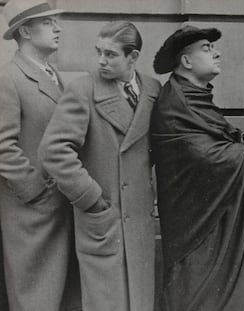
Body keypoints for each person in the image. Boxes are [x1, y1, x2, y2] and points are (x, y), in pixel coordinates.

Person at [39, 21, 161, 311]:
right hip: (104, 218)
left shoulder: (153, 90)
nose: (101, 61)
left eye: (110, 54)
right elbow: (53, 150)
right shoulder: (84, 90)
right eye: (99, 52)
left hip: (140, 221)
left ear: (133, 57)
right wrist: (91, 199)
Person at [151, 25, 244, 311]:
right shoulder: (174, 103)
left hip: (212, 217)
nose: (216, 53)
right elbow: (207, 158)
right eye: (206, 48)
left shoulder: (197, 98)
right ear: (186, 61)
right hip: (194, 227)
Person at [0, 0, 81, 310]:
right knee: (35, 299)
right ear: (25, 31)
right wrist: (37, 194)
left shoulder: (52, 75)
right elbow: (3, 147)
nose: (58, 28)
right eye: (48, 23)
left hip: (58, 209)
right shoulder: (9, 78)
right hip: (31, 214)